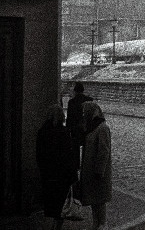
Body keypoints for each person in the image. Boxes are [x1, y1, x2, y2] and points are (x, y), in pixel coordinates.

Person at [36, 104, 78, 230]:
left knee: (53, 203)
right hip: (62, 176)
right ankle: (56, 227)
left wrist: (43, 170)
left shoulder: (42, 132)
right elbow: (69, 156)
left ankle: (54, 226)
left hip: (48, 174)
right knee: (62, 204)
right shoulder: (64, 133)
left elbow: (39, 154)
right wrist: (73, 176)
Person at [79, 101, 112, 230]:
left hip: (98, 171)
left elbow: (104, 151)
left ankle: (103, 224)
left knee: (100, 198)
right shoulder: (91, 127)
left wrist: (99, 170)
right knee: (93, 198)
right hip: (90, 169)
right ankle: (95, 223)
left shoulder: (102, 128)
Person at [66, 82, 93, 168]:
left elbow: (69, 117)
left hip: (75, 128)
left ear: (75, 91)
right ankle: (86, 166)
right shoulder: (89, 100)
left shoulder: (72, 102)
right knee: (87, 148)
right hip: (87, 128)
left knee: (75, 149)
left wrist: (67, 129)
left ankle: (76, 165)